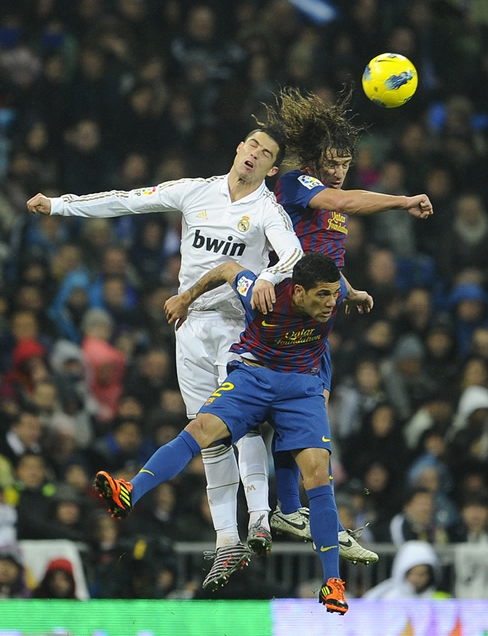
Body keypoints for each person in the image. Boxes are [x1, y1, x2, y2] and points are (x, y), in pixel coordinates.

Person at [26, 125, 304, 586]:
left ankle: (259, 516)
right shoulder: (194, 192)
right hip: (190, 327)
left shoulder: (266, 210)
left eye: (266, 153)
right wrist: (58, 204)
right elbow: (125, 199)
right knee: (207, 434)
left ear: (272, 169)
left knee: (242, 420)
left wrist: (266, 278)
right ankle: (226, 541)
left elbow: (292, 255)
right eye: (251, 144)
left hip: (238, 328)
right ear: (238, 147)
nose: (254, 154)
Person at [95, 253, 373, 614]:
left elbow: (344, 288)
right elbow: (228, 268)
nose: (330, 303)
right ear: (299, 291)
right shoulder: (264, 294)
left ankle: (332, 582)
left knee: (319, 474)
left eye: (334, 294)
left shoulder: (334, 295)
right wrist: (186, 297)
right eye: (322, 295)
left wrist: (357, 294)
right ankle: (130, 490)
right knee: (199, 429)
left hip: (301, 387)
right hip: (252, 377)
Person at [253, 86, 433, 561]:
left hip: (321, 320)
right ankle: (287, 508)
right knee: (300, 417)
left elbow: (322, 256)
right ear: (314, 160)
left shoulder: (328, 202)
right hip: (292, 314)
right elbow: (345, 204)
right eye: (330, 162)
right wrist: (401, 201)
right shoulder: (296, 183)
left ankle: (291, 510)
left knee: (312, 417)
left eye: (344, 163)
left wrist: (349, 291)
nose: (337, 170)